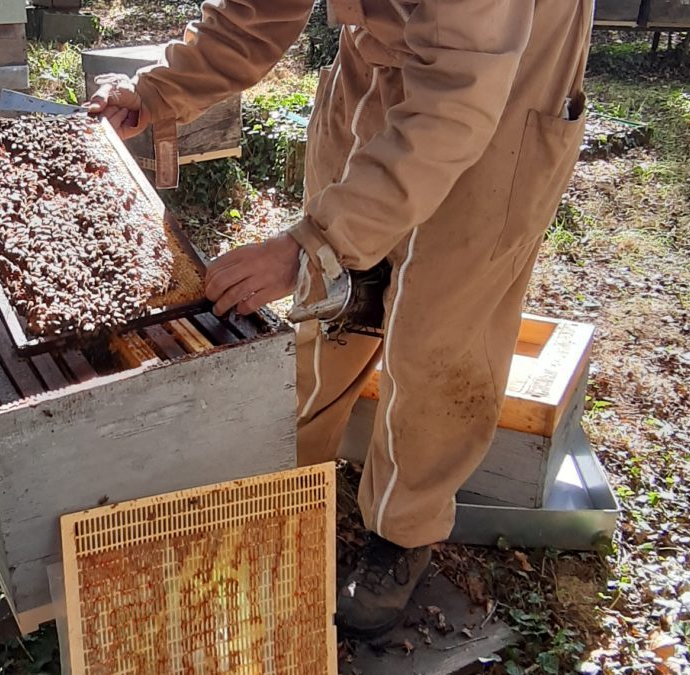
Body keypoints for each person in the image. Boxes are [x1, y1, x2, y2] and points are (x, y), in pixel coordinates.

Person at [88, 0, 592, 638]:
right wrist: (159, 88)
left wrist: (311, 242)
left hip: (506, 73)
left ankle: (403, 531)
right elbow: (254, 10)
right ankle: (292, 478)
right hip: (378, 51)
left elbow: (456, 101)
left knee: (441, 326)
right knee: (335, 299)